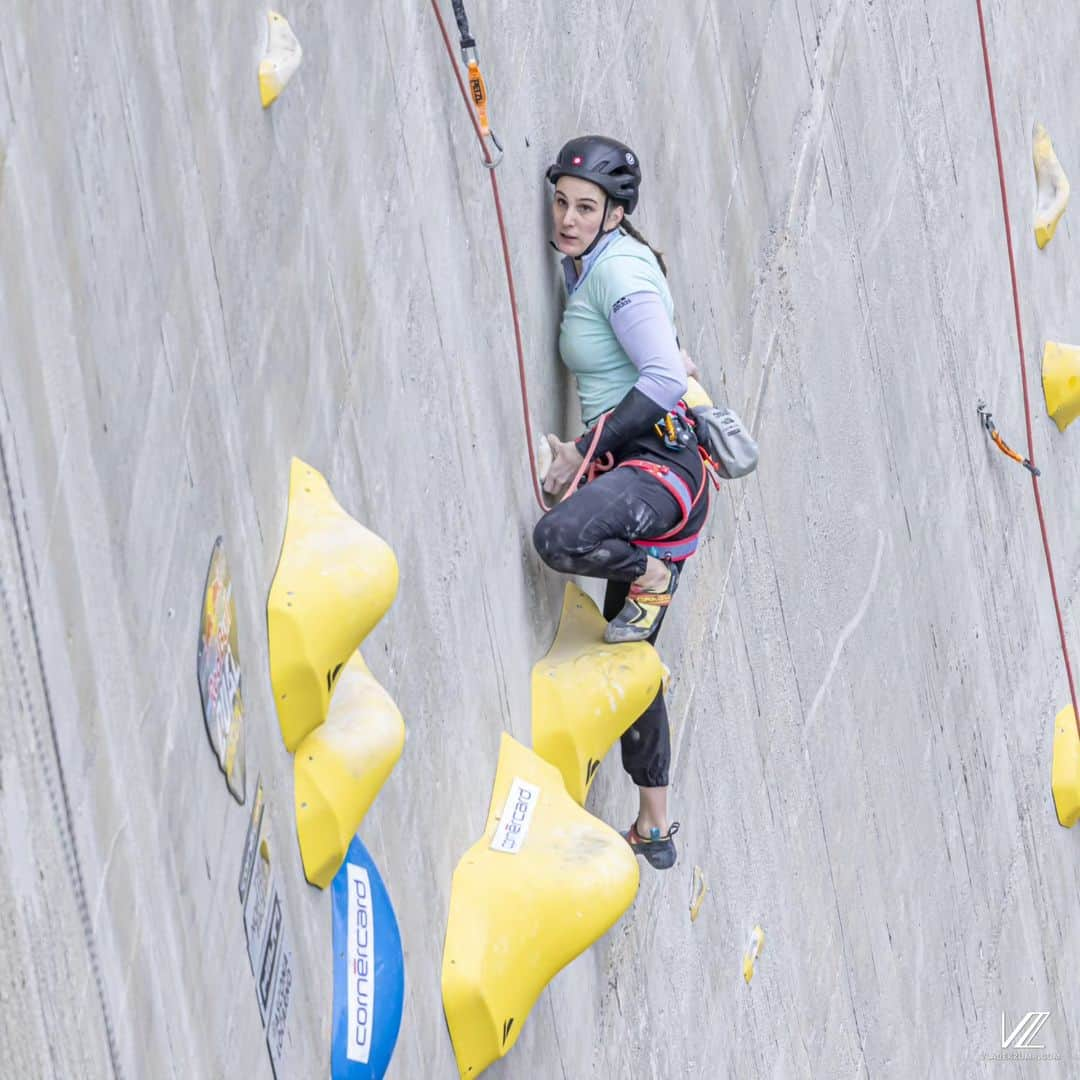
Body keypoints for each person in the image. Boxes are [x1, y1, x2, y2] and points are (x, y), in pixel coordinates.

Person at [532, 135, 710, 871]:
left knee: (558, 539)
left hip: (659, 471)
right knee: (630, 650)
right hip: (639, 467)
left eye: (585, 208)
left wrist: (580, 453)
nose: (568, 219)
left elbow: (665, 376)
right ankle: (655, 821)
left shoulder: (622, 273)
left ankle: (648, 573)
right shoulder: (598, 263)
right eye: (562, 203)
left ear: (614, 214)